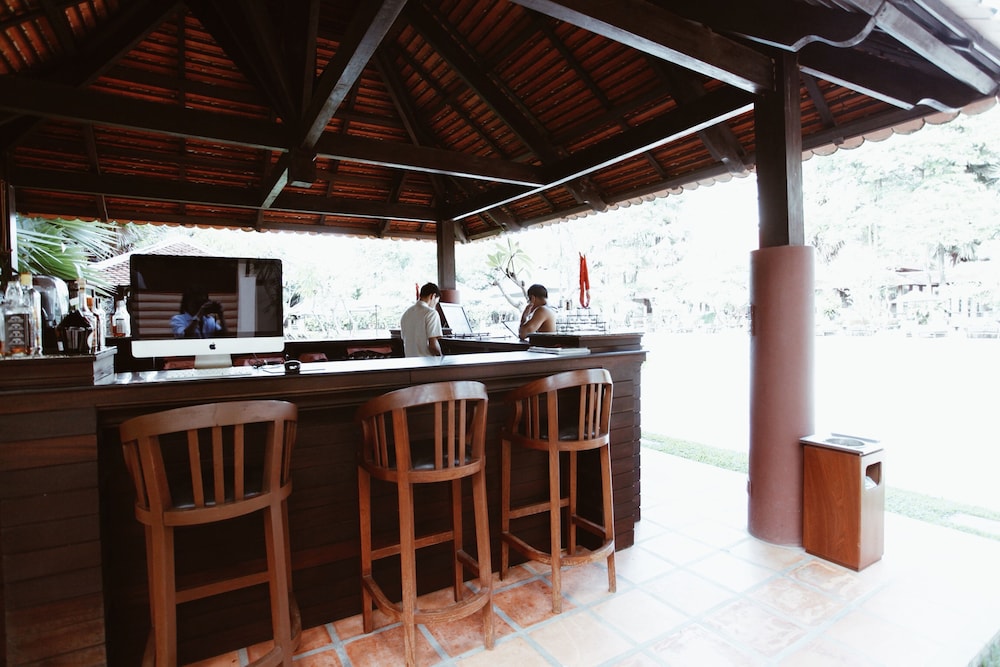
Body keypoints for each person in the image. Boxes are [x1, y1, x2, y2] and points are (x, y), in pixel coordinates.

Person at [400, 282, 443, 357]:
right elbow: (433, 346)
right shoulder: (431, 313)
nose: (434, 305)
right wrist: (442, 357)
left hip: (409, 362)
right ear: (433, 296)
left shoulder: (406, 314)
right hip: (427, 362)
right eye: (436, 302)